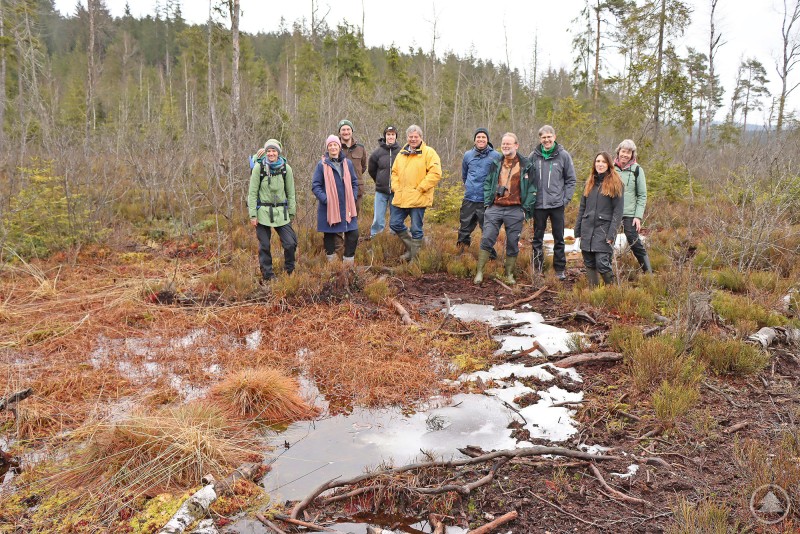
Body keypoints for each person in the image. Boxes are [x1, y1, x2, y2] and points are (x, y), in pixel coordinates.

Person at [474, 133, 536, 285]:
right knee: (487, 237)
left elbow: (533, 189)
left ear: (516, 145)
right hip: (495, 207)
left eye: (509, 143)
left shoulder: (526, 165)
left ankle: (509, 274)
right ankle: (480, 271)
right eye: (503, 143)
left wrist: (524, 209)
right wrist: (488, 203)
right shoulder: (496, 162)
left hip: (515, 209)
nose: (506, 146)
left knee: (513, 242)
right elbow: (488, 182)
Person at [529, 125, 576, 281]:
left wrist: (565, 200)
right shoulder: (533, 156)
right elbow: (526, 179)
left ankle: (560, 269)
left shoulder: (563, 156)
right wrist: (530, 198)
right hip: (539, 205)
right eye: (543, 137)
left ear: (554, 137)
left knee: (559, 238)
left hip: (557, 205)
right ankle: (538, 268)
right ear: (540, 139)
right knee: (537, 238)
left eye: (549, 137)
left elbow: (571, 180)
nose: (547, 140)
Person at [390, 124, 442, 261]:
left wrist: (421, 188)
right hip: (401, 196)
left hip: (419, 197)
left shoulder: (429, 152)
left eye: (416, 136)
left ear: (421, 137)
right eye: (410, 136)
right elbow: (394, 172)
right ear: (407, 137)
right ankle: (412, 250)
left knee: (416, 229)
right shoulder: (401, 153)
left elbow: (435, 173)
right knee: (394, 223)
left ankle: (415, 258)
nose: (413, 139)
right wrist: (395, 187)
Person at [247, 139, 297, 281]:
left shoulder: (286, 169)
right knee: (264, 245)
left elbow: (291, 193)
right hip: (262, 212)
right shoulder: (259, 168)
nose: (271, 153)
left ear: (278, 152)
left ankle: (290, 272)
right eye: (268, 151)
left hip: (281, 212)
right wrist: (252, 214)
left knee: (290, 243)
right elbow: (252, 193)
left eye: (274, 150)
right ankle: (268, 276)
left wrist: (291, 212)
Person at [574, 151, 625, 287]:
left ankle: (612, 291)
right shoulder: (590, 182)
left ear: (609, 164)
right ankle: (593, 292)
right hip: (587, 228)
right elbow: (582, 208)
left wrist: (612, 233)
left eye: (603, 162)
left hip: (604, 229)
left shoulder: (616, 183)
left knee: (602, 262)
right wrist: (577, 229)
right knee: (589, 262)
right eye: (598, 161)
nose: (600, 164)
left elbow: (618, 212)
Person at [311, 135, 359, 265]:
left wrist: (353, 196)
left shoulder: (347, 163)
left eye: (335, 145)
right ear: (327, 148)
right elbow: (315, 186)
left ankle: (348, 264)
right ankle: (332, 266)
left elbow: (355, 182)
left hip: (347, 206)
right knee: (329, 236)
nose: (333, 147)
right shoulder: (322, 165)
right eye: (330, 145)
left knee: (353, 234)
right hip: (329, 208)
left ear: (339, 147)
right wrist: (326, 199)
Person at [458, 127, 502, 257]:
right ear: (474, 140)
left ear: (487, 140)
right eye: (478, 137)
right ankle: (463, 253)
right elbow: (464, 176)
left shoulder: (496, 156)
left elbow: (500, 177)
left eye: (483, 137)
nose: (481, 139)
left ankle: (490, 257)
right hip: (470, 198)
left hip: (486, 200)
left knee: (488, 230)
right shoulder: (467, 155)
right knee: (464, 228)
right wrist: (470, 187)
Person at [614, 139, 652, 273]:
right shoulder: (611, 168)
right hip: (612, 212)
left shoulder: (637, 170)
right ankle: (606, 272)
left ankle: (649, 273)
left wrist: (638, 216)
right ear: (618, 152)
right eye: (623, 151)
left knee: (634, 241)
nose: (625, 155)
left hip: (630, 213)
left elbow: (642, 195)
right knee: (607, 241)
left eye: (628, 152)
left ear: (632, 155)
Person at [367, 125, 400, 239]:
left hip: (396, 192)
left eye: (392, 134)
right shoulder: (377, 152)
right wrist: (379, 180)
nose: (390, 137)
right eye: (388, 134)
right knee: (378, 219)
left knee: (395, 218)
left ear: (396, 136)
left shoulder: (401, 152)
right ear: (385, 136)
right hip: (381, 191)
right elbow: (371, 169)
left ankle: (393, 241)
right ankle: (375, 239)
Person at [337, 119, 368, 214]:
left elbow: (363, 166)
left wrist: (354, 177)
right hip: (339, 188)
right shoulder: (334, 147)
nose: (346, 132)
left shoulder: (360, 148)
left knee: (354, 216)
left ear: (352, 131)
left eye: (348, 129)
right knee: (340, 216)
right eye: (343, 130)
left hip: (357, 188)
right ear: (339, 132)